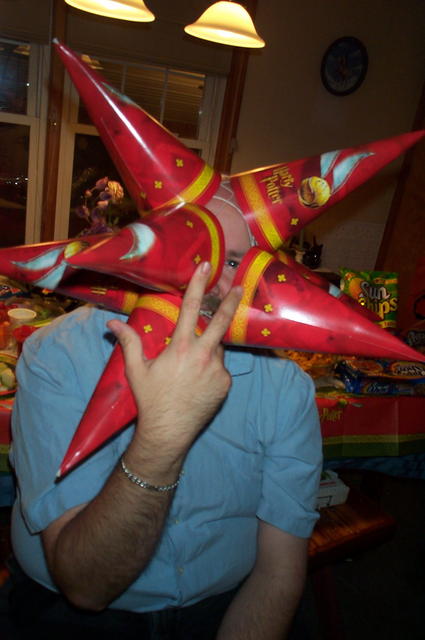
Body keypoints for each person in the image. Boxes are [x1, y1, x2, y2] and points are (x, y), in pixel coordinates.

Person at [7, 188, 323, 639]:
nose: (204, 281)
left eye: (232, 261)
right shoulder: (57, 355)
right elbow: (86, 588)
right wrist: (164, 434)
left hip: (223, 603)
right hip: (75, 613)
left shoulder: (285, 385)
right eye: (190, 251)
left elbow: (279, 571)